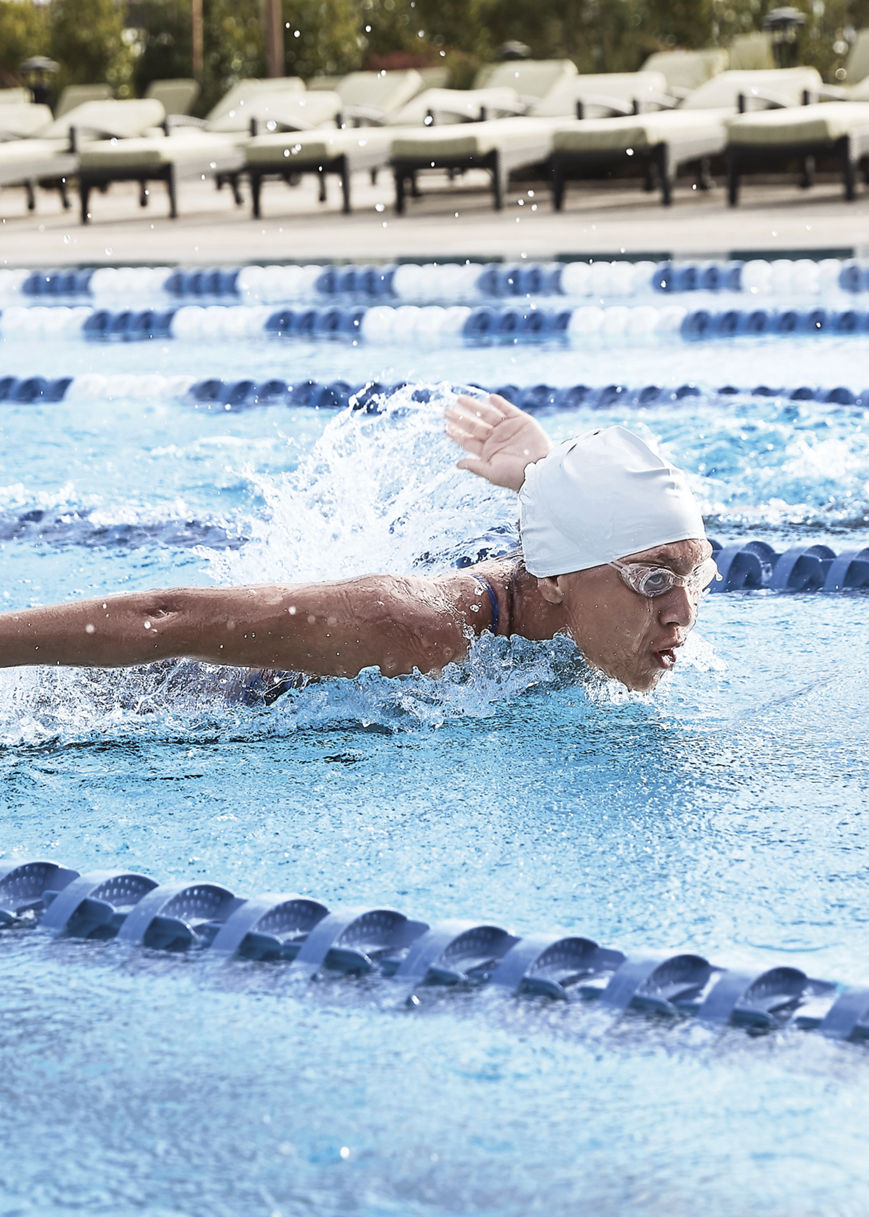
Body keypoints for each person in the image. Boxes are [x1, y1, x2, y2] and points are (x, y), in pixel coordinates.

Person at [0, 394, 716, 694]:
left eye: (695, 575)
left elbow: (586, 536)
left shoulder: (589, 600)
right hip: (198, 694)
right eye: (654, 579)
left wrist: (543, 474)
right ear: (558, 580)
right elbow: (168, 618)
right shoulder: (413, 626)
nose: (682, 611)